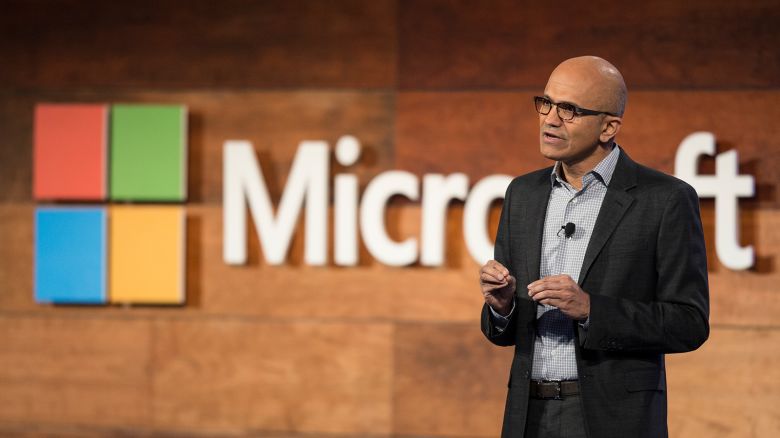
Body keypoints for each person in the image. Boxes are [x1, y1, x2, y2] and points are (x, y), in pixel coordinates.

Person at [479, 56, 709, 438]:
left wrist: (591, 310)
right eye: (546, 103)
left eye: (569, 110)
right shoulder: (522, 194)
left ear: (608, 127)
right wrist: (502, 306)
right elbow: (502, 332)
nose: (550, 119)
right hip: (527, 414)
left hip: (612, 418)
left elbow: (690, 323)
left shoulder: (665, 199)